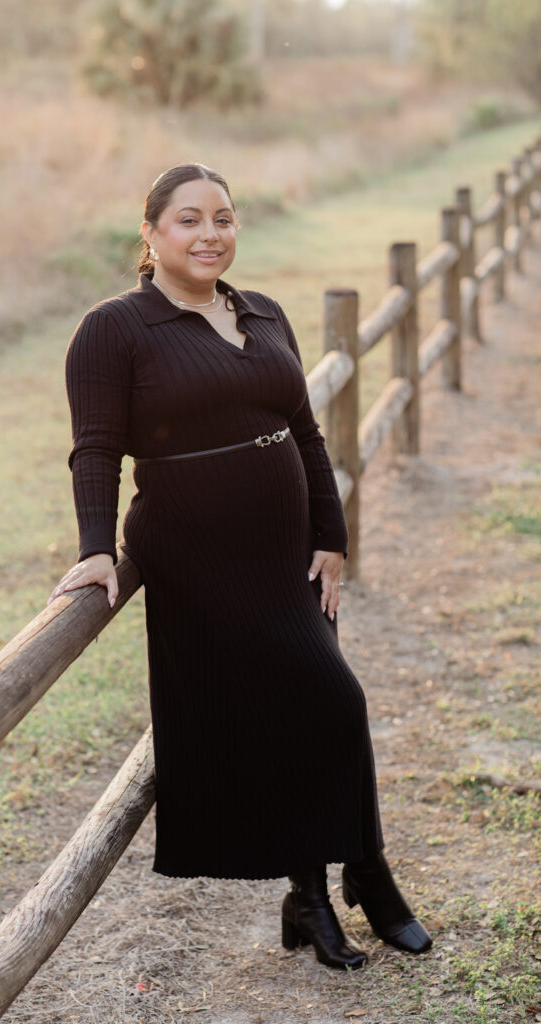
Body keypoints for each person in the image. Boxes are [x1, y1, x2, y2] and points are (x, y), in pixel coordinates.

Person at [49, 163, 432, 970]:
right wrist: (94, 549)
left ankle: (311, 896)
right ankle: (365, 874)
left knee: (306, 710)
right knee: (332, 698)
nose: (209, 234)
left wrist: (330, 535)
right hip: (196, 552)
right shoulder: (114, 329)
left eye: (222, 218)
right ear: (149, 234)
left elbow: (304, 431)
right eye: (188, 220)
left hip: (283, 551)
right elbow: (95, 449)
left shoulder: (262, 311)